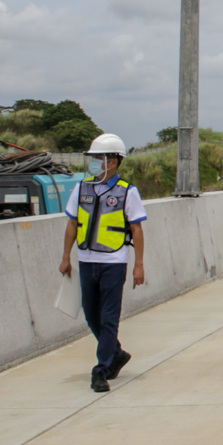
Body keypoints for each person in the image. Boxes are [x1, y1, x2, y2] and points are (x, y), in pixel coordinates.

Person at [57, 132, 148, 392]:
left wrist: (138, 265)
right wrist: (66, 257)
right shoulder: (81, 187)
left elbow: (137, 230)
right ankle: (116, 354)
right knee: (91, 314)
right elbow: (72, 224)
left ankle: (101, 370)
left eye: (101, 157)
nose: (96, 162)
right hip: (86, 260)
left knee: (109, 317)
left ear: (115, 161)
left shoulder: (127, 192)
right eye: (94, 157)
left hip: (114, 261)